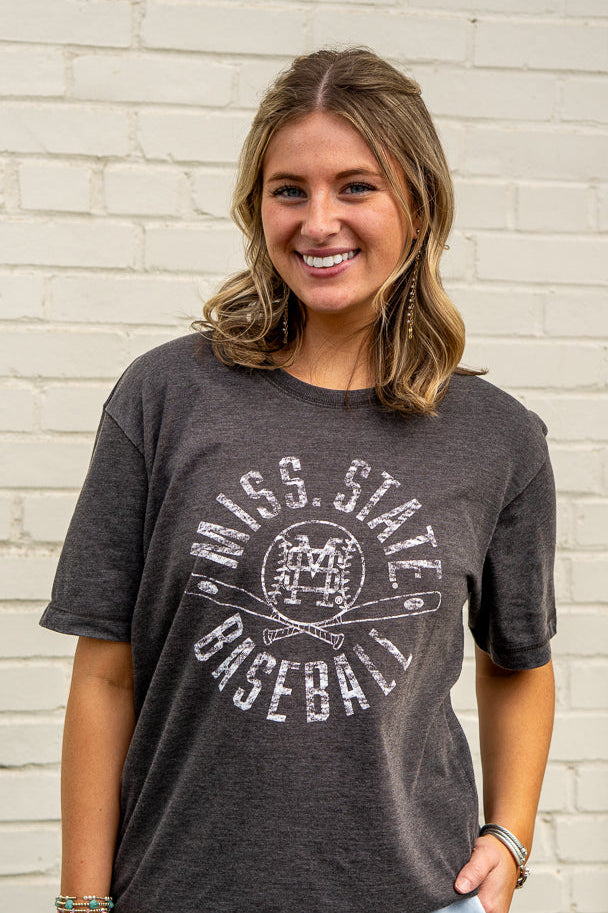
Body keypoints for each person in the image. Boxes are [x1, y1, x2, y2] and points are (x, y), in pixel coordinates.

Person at [41, 48, 556, 913]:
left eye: (357, 186)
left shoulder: (497, 439)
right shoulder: (164, 398)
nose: (319, 222)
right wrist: (81, 904)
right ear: (258, 207)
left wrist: (509, 841)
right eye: (290, 190)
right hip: (180, 893)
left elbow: (518, 660)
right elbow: (105, 675)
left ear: (418, 205)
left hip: (415, 894)